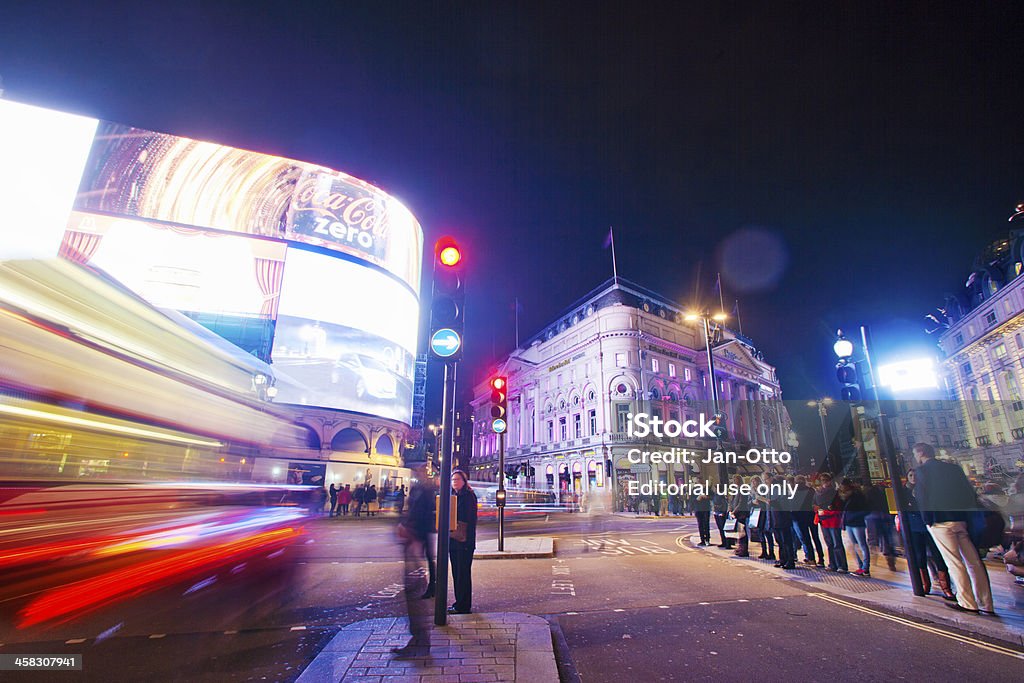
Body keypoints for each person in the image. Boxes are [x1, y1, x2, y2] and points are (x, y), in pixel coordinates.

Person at [913, 442, 994, 615]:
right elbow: (968, 494)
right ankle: (986, 604)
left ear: (920, 453)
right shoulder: (954, 469)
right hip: (961, 520)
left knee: (954, 562)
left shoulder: (922, 471)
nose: (915, 457)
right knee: (974, 563)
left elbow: (923, 498)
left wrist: (928, 521)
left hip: (940, 522)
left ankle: (967, 602)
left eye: (915, 454)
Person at [392, 464, 433, 657]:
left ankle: (420, 640)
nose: (420, 474)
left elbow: (425, 519)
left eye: (421, 471)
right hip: (412, 543)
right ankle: (418, 638)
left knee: (414, 591)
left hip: (416, 545)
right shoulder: (419, 490)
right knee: (413, 592)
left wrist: (413, 534)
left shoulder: (426, 491)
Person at [905, 468, 954, 599]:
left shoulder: (927, 490)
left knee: (938, 556)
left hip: (931, 526)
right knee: (920, 557)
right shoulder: (904, 492)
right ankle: (925, 585)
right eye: (910, 475)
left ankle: (946, 588)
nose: (913, 477)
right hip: (915, 527)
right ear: (907, 477)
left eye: (915, 475)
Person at [449, 469, 477, 614]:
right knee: (456, 573)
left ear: (464, 481)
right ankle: (459, 602)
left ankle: (463, 606)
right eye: (453, 480)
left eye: (457, 479)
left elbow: (469, 519)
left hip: (464, 541)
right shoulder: (454, 495)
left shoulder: (468, 496)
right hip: (454, 540)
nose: (455, 482)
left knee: (463, 574)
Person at [814, 473, 848, 573]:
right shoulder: (818, 492)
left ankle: (841, 565)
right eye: (823, 480)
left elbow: (839, 507)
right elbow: (814, 504)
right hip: (824, 520)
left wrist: (827, 510)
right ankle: (833, 564)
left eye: (826, 480)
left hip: (833, 520)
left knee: (837, 543)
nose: (825, 482)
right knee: (829, 543)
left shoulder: (834, 492)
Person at [839, 478, 871, 576]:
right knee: (855, 545)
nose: (841, 487)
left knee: (861, 544)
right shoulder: (844, 497)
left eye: (842, 485)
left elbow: (866, 509)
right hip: (849, 523)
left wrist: (854, 516)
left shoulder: (857, 495)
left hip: (857, 523)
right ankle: (860, 566)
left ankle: (865, 568)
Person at [865, 482, 897, 571]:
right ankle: (891, 562)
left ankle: (873, 559)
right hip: (885, 516)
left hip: (873, 517)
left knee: (873, 539)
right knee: (888, 539)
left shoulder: (869, 491)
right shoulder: (887, 491)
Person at [793, 475, 824, 566]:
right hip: (811, 516)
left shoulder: (795, 491)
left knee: (807, 539)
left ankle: (811, 558)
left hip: (801, 517)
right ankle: (821, 559)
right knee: (816, 537)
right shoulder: (811, 490)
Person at [768, 474, 796, 570]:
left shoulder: (783, 491)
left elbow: (782, 504)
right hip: (775, 519)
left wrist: (771, 502)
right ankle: (782, 559)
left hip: (783, 519)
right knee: (780, 541)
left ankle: (790, 560)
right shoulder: (773, 490)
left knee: (786, 541)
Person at [749, 476, 775, 560]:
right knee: (760, 531)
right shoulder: (751, 491)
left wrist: (760, 500)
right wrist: (753, 502)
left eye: (755, 481)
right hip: (756, 512)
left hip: (764, 511)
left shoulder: (763, 489)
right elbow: (748, 502)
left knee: (767, 531)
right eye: (752, 481)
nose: (753, 483)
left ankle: (771, 552)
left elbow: (767, 500)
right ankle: (764, 551)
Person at [729, 475, 750, 557]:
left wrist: (734, 511)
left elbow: (741, 503)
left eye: (736, 479)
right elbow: (732, 501)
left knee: (742, 532)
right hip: (736, 513)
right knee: (738, 532)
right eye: (733, 479)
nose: (734, 481)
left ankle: (744, 550)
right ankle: (740, 548)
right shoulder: (735, 489)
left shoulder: (743, 488)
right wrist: (730, 509)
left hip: (741, 513)